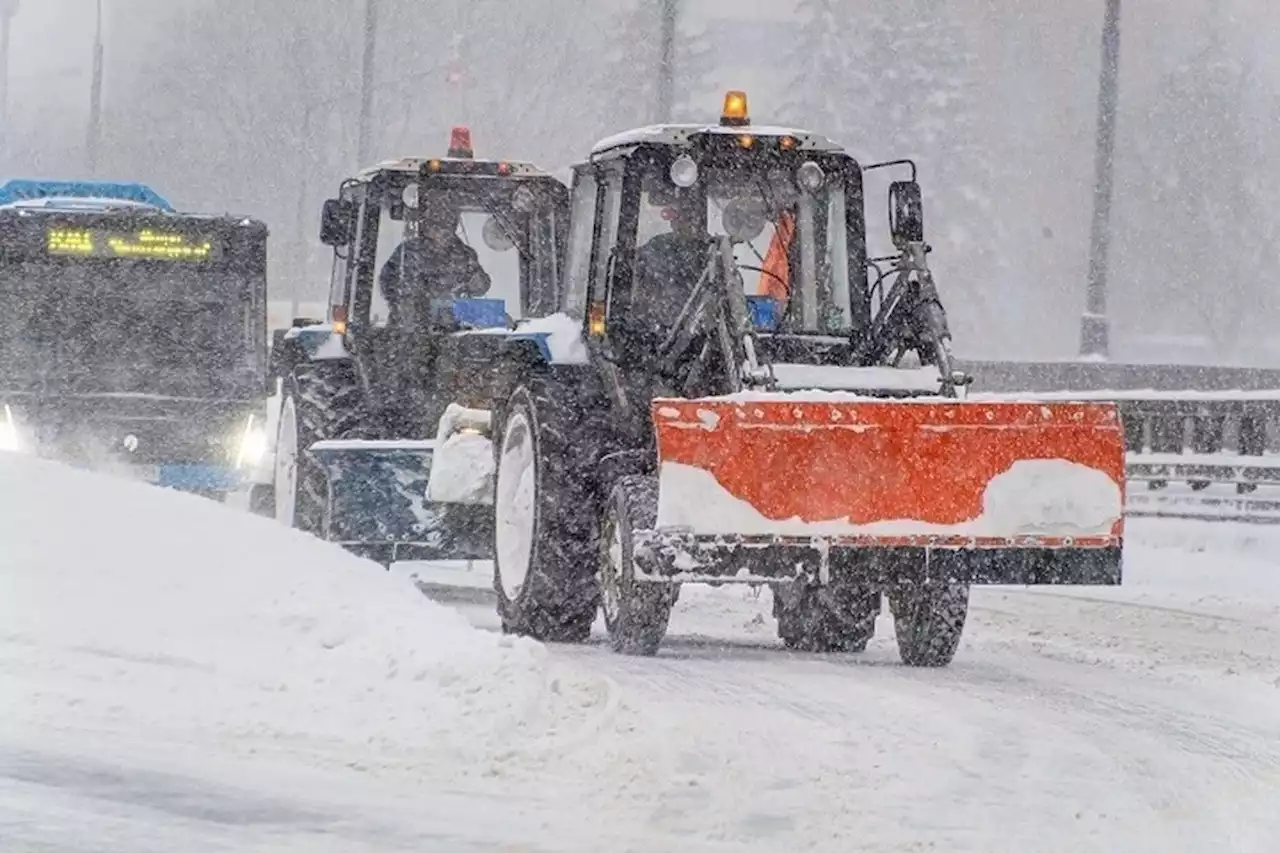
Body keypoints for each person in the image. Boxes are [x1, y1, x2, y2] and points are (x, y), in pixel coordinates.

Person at [379, 207, 491, 328]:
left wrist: (473, 277)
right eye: (436, 227)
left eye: (446, 227)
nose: (440, 232)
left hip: (452, 331)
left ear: (453, 227)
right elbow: (387, 282)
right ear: (427, 228)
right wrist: (409, 303)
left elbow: (481, 288)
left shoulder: (465, 255)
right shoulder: (408, 252)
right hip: (409, 330)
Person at [630, 200, 708, 336]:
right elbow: (640, 271)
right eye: (679, 219)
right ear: (672, 223)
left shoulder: (711, 249)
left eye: (689, 219)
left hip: (697, 322)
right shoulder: (658, 245)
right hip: (659, 324)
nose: (684, 224)